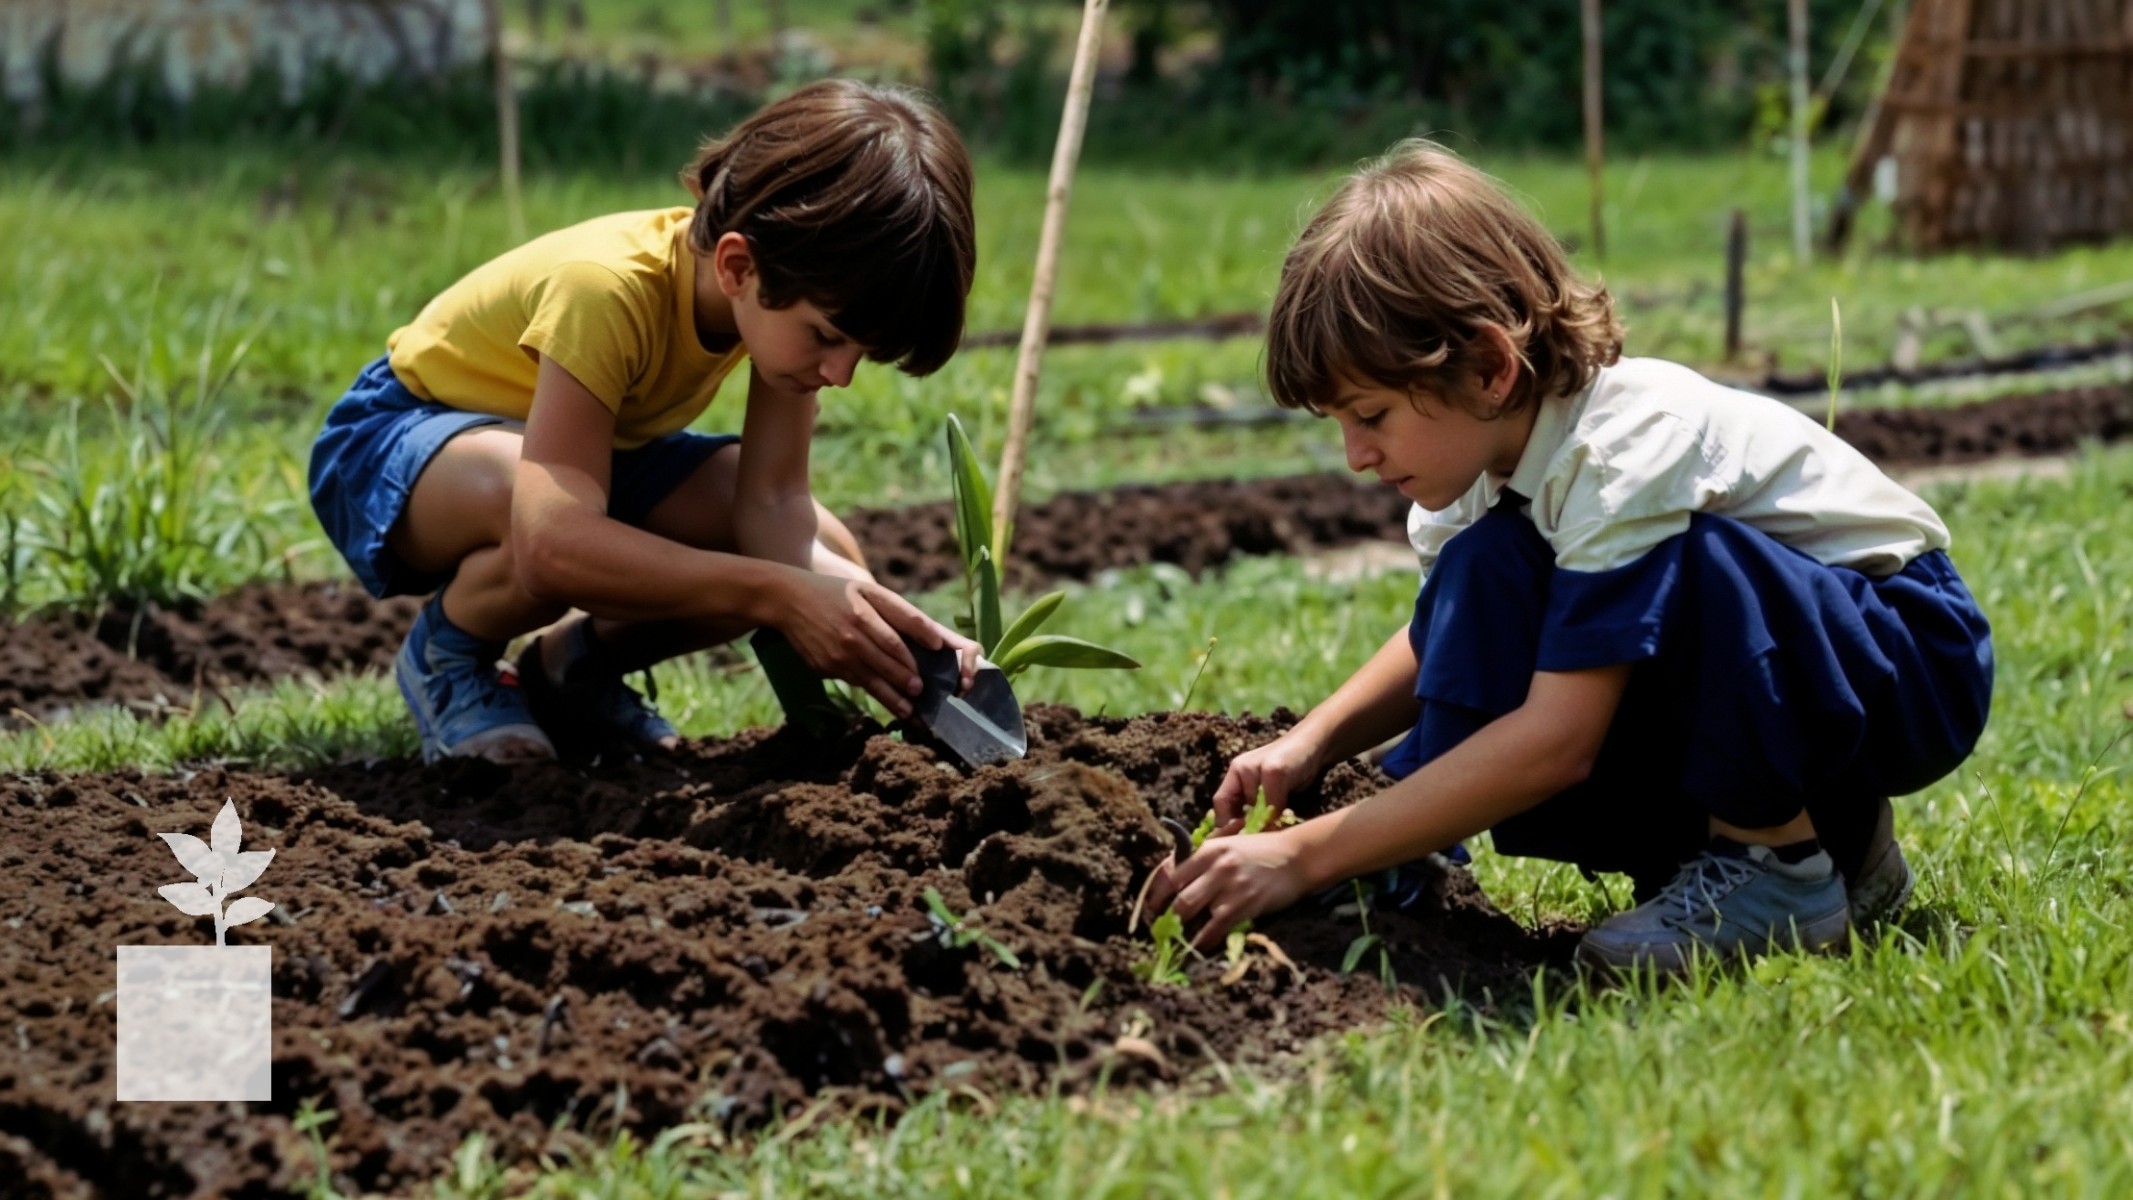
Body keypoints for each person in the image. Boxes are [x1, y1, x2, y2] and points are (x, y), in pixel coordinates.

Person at [1150, 141, 1993, 973]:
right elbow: (1441, 638)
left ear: (1487, 366)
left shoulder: (1622, 452)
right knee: (1489, 576)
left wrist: (1307, 854)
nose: (1355, 456)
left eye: (1369, 415)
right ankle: (1843, 841)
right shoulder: (1478, 467)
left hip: (1903, 661)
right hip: (1802, 668)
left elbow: (1558, 741)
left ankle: (1775, 869)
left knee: (1688, 569)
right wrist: (1311, 744)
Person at [309, 80, 980, 764]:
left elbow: (773, 505)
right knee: (529, 503)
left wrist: (879, 621)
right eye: (827, 337)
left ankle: (571, 669)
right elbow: (552, 543)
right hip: (394, 441)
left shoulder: (779, 299)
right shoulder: (605, 287)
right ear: (738, 265)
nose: (839, 374)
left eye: (861, 353)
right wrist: (778, 594)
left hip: (584, 456)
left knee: (821, 549)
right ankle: (449, 656)